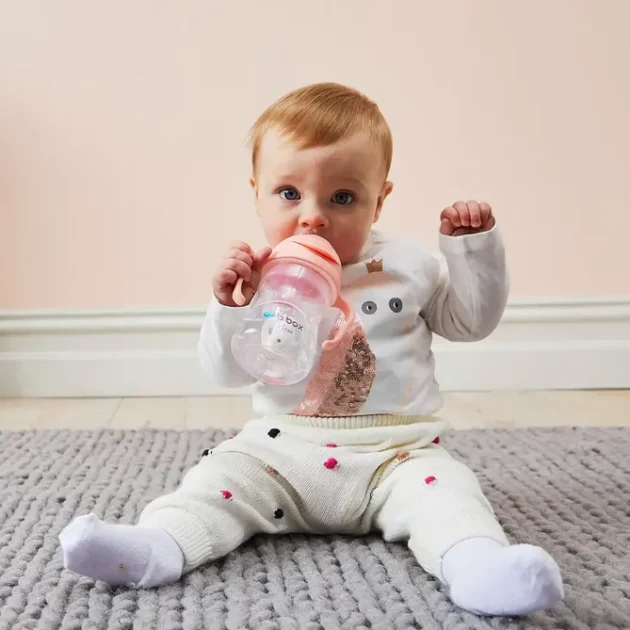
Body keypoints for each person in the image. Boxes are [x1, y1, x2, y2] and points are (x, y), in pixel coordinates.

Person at [60, 83, 564, 617]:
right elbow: (225, 372)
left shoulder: (407, 265)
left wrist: (472, 250)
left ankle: (478, 566)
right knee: (216, 478)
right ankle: (154, 546)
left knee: (451, 495)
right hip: (279, 452)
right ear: (257, 192)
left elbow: (469, 323)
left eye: (342, 198)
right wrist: (229, 306)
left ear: (379, 199)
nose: (313, 217)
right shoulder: (259, 275)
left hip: (395, 457)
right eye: (289, 194)